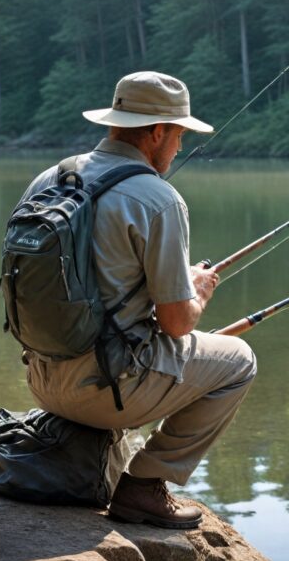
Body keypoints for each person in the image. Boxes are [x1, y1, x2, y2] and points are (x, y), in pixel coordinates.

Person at [18, 71, 257, 529]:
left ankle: (89, 438)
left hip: (42, 382)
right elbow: (177, 324)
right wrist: (198, 289)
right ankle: (145, 486)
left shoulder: (51, 177)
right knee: (239, 361)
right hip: (105, 395)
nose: (181, 146)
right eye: (179, 134)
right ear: (157, 132)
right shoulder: (158, 199)